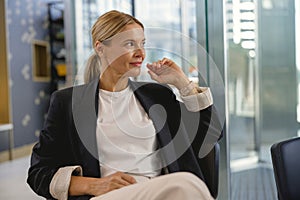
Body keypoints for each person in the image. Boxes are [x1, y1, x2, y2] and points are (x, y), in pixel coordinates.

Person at [27, 10, 222, 200]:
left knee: (184, 185)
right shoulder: (67, 102)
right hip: (110, 196)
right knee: (186, 184)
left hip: (160, 191)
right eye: (130, 44)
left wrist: (182, 83)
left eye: (143, 44)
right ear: (100, 47)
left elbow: (210, 134)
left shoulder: (157, 96)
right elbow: (39, 173)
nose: (141, 53)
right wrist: (95, 185)